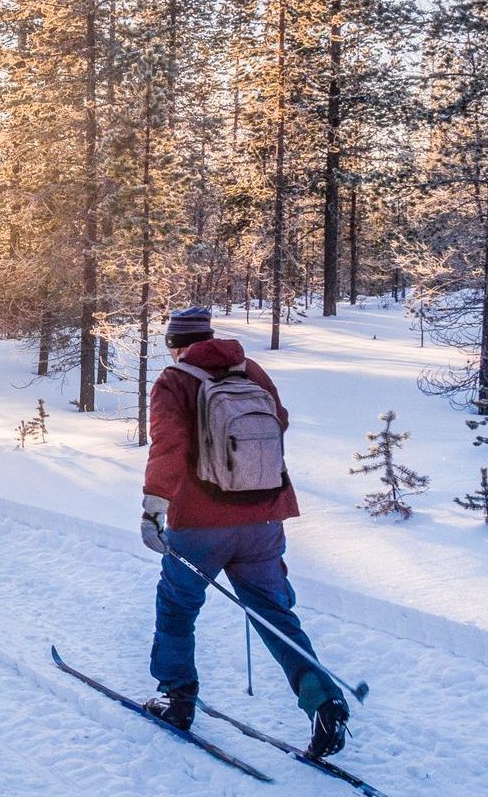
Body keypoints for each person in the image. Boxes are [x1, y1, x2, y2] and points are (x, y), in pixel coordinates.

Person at [138, 306, 351, 758]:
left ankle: (176, 699)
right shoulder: (251, 370)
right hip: (262, 517)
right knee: (275, 614)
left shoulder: (174, 380)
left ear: (175, 344)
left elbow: (169, 446)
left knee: (177, 608)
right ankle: (323, 701)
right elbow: (280, 421)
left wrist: (154, 506)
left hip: (199, 524)